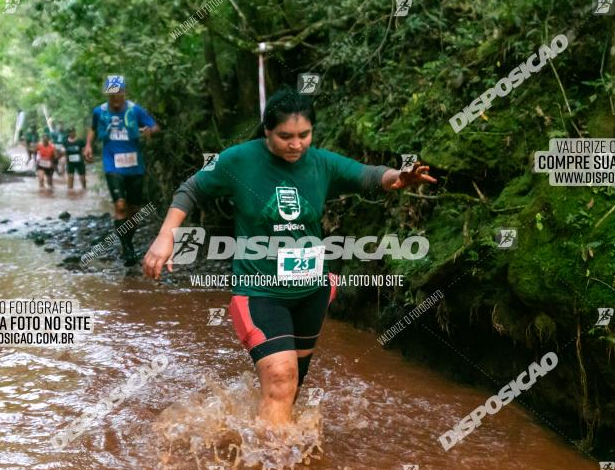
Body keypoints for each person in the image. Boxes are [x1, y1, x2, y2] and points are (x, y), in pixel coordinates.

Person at [142, 87, 436, 426]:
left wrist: (399, 178)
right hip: (261, 291)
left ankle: (262, 437)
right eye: (285, 136)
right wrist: (166, 237)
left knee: (290, 385)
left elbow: (369, 175)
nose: (296, 144)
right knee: (281, 379)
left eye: (304, 135)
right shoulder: (239, 161)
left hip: (311, 292)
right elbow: (191, 188)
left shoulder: (321, 163)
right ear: (267, 130)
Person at [84, 78, 160, 265]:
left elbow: (155, 126)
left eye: (119, 94)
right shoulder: (99, 112)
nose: (116, 98)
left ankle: (129, 241)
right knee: (120, 206)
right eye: (112, 94)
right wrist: (88, 145)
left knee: (134, 209)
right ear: (108, 95)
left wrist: (150, 131)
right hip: (112, 165)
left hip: (135, 167)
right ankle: (127, 249)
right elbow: (93, 129)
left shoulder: (135, 110)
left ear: (125, 93)